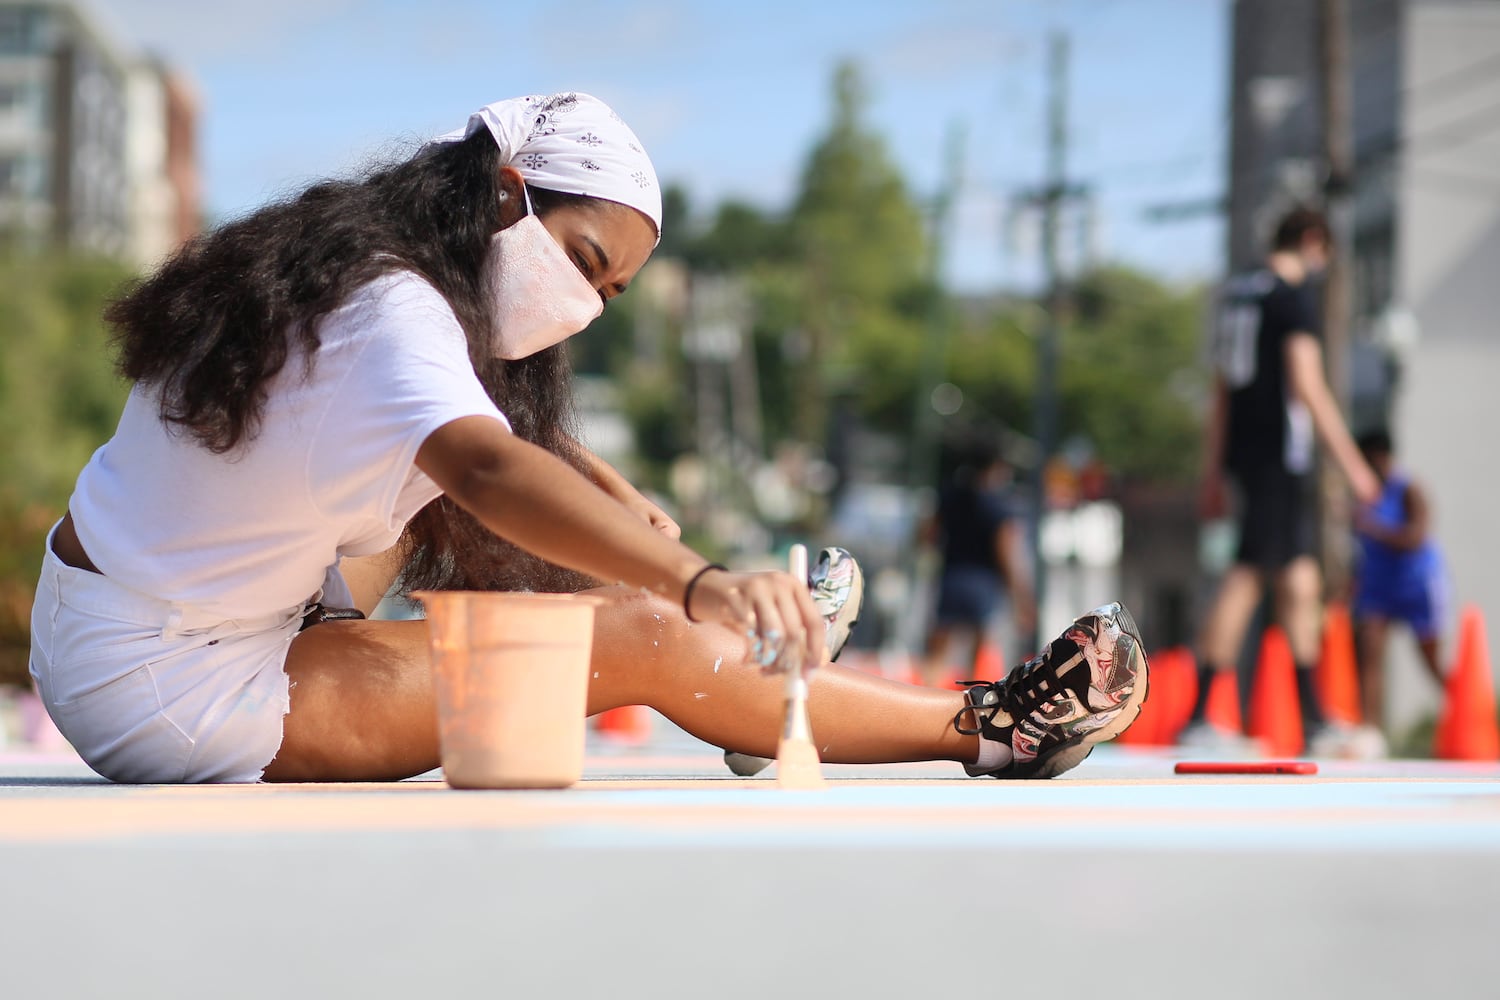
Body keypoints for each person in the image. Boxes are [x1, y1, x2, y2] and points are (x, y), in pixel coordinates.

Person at [27, 91, 1147, 785]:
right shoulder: (392, 307)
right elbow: (487, 462)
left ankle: (756, 682)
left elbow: (511, 443)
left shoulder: (363, 271)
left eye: (613, 292)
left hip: (165, 606)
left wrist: (639, 521)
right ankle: (992, 729)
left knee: (610, 574)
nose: (592, 306)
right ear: (507, 194)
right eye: (586, 262)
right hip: (167, 680)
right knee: (640, 633)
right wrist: (697, 578)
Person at [1182, 207, 1381, 751]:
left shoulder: (1238, 297)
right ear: (1313, 241)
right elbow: (1309, 386)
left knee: (1299, 582)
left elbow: (1220, 392)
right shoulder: (1290, 301)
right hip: (1278, 456)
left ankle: (1315, 718)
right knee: (1248, 576)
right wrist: (1355, 468)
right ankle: (1198, 715)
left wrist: (1213, 469)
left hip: (1247, 456)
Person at [1349, 428, 1448, 756]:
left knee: (1430, 660)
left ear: (1377, 457)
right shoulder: (1366, 494)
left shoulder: (1409, 488)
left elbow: (1416, 537)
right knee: (1370, 650)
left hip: (1415, 582)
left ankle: (1463, 713)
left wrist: (1372, 527)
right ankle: (1370, 730)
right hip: (1379, 584)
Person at [918, 438, 1036, 688]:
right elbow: (1006, 554)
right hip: (984, 583)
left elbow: (927, 534)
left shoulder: (949, 494)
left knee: (937, 656)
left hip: (951, 578)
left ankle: (920, 708)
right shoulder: (998, 505)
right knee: (978, 659)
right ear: (996, 467)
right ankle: (971, 713)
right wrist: (1022, 598)